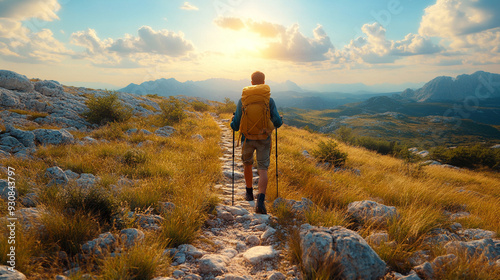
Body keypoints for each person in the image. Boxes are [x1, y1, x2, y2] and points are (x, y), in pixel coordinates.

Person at [231, 71, 283, 214]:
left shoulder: (243, 100)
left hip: (247, 138)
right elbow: (277, 122)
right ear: (264, 83)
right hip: (264, 139)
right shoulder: (269, 100)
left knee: (247, 164)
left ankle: (249, 193)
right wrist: (279, 120)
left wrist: (232, 122)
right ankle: (260, 201)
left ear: (251, 82)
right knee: (263, 169)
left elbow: (236, 125)